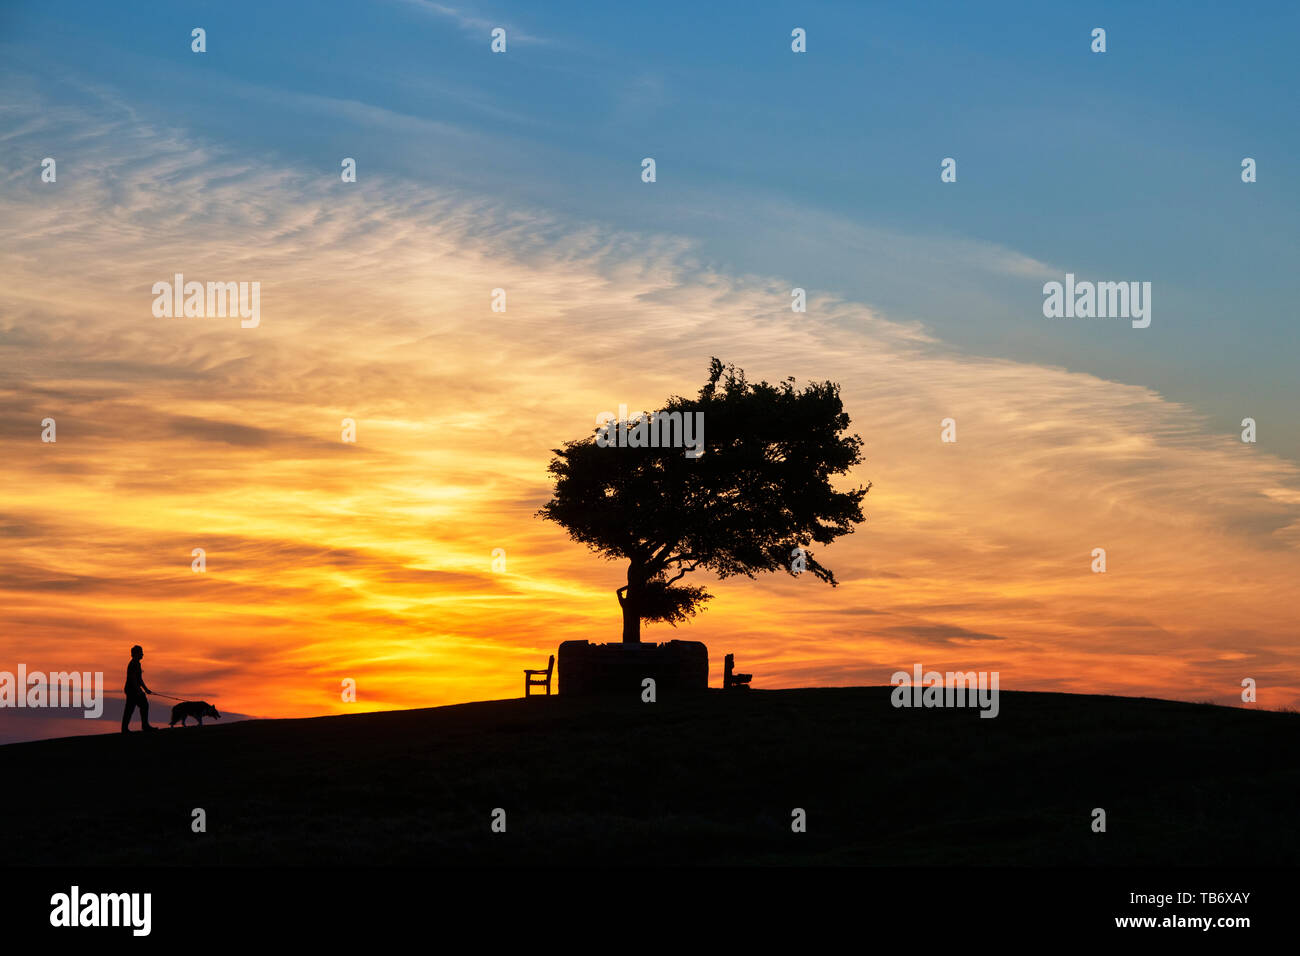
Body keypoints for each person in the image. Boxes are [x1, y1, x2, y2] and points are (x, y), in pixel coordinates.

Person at [121, 645, 156, 733]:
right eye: (141, 652)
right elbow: (133, 678)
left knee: (130, 708)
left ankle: (125, 728)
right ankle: (144, 726)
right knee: (141, 705)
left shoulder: (137, 663)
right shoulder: (134, 664)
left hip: (132, 689)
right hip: (132, 689)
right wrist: (138, 691)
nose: (142, 654)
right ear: (136, 653)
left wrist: (146, 689)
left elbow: (139, 679)